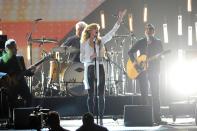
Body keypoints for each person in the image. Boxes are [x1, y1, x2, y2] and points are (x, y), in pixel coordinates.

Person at [80, 9, 127, 125]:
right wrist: (90, 57)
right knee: (91, 95)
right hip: (90, 68)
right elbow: (81, 58)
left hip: (100, 67)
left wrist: (119, 20)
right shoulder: (84, 43)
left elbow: (111, 33)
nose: (97, 31)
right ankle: (90, 117)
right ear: (90, 31)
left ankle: (100, 117)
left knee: (101, 94)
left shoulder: (100, 41)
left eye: (98, 30)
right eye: (95, 29)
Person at [128, 23, 165, 125]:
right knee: (144, 94)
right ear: (145, 31)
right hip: (142, 71)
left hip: (154, 70)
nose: (149, 31)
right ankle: (145, 118)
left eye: (151, 30)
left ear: (154, 31)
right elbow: (130, 52)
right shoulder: (141, 41)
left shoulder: (158, 42)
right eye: (147, 30)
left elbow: (161, 55)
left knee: (155, 94)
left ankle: (157, 118)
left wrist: (161, 57)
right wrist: (135, 63)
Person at [0, 39, 36, 119]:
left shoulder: (20, 58)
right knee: (11, 102)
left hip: (21, 84)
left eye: (15, 47)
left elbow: (24, 72)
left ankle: (28, 117)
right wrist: (6, 76)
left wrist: (32, 72)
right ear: (7, 49)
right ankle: (12, 120)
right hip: (10, 86)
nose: (16, 49)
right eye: (13, 48)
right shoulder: (2, 60)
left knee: (29, 98)